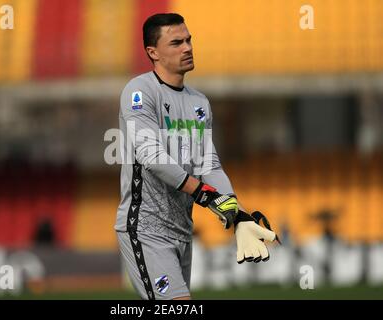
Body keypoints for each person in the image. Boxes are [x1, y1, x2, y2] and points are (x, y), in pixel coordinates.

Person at [115, 13, 279, 300]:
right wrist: (202, 193)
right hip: (146, 228)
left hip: (182, 230)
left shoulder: (199, 102)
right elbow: (151, 156)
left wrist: (236, 212)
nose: (187, 48)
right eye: (176, 42)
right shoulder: (139, 91)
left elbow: (208, 164)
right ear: (153, 53)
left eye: (188, 40)